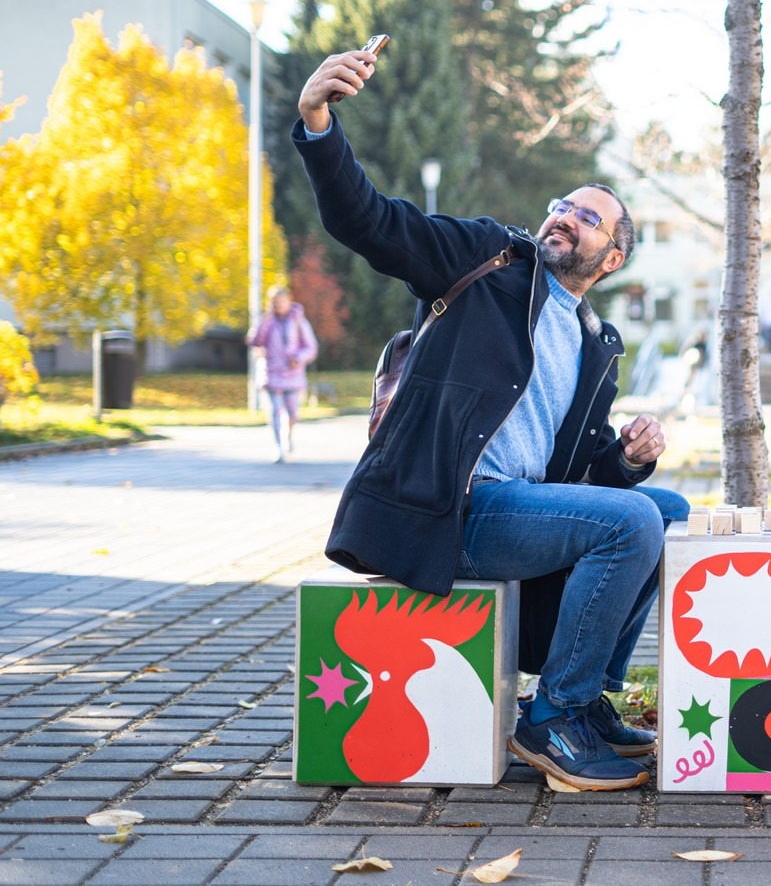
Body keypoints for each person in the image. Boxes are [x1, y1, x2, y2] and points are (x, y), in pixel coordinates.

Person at [292, 43, 688, 792]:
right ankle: (553, 717)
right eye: (564, 205)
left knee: (663, 509)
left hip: (518, 509)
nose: (565, 217)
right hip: (451, 509)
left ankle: (588, 698)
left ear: (611, 258)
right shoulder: (487, 261)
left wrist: (629, 460)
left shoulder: (597, 342)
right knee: (634, 521)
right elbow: (371, 222)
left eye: (589, 218)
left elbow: (584, 476)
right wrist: (318, 122)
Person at [246, 285, 318, 463]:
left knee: (292, 413)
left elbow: (311, 347)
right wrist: (266, 320)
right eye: (275, 302)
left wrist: (298, 358)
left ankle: (289, 436)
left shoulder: (298, 320)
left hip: (293, 375)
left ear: (289, 301)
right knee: (275, 412)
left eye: (281, 301)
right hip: (271, 374)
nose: (278, 305)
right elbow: (255, 341)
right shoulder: (266, 320)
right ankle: (278, 447)